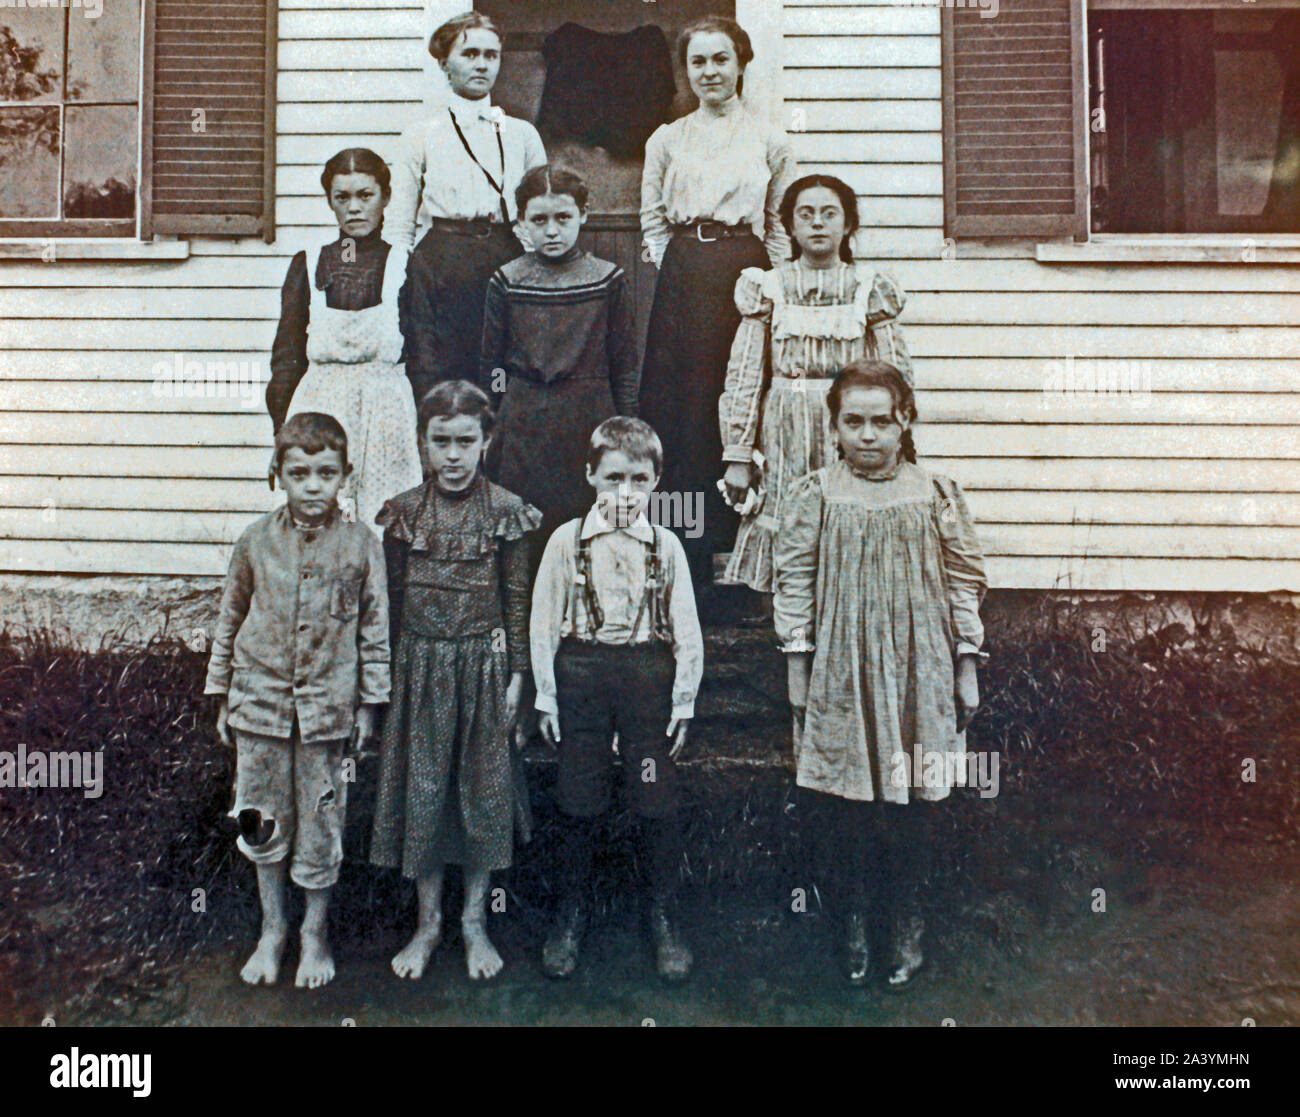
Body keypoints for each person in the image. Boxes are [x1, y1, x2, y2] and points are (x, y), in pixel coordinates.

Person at [774, 361, 987, 988]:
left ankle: (908, 920)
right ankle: (853, 923)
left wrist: (965, 666)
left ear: (905, 423)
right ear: (835, 427)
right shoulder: (815, 494)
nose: (867, 435)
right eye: (853, 422)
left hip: (920, 665)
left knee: (915, 802)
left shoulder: (936, 492)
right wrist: (798, 667)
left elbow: (962, 583)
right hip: (843, 665)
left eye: (881, 422)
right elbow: (794, 585)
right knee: (848, 805)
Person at [205, 412, 390, 989]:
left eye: (326, 474)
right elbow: (229, 617)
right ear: (277, 475)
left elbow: (374, 630)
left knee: (320, 819)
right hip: (258, 705)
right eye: (299, 473)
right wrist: (222, 695)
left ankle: (314, 933)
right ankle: (273, 929)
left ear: (345, 477)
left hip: (326, 715)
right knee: (261, 815)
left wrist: (368, 705)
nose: (313, 486)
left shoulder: (362, 545)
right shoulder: (256, 542)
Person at [369, 381, 541, 981]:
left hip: (484, 671)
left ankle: (474, 922)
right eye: (439, 441)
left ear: (486, 442)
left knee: (483, 794)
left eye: (465, 441)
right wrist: (382, 683)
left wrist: (520, 677)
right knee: (425, 794)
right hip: (419, 672)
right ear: (421, 444)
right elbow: (387, 605)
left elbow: (517, 601)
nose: (452, 455)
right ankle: (428, 924)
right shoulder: (403, 513)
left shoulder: (507, 512)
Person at [530, 417, 704, 983]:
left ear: (656, 481)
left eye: (638, 478)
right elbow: (542, 624)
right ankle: (571, 911)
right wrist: (547, 696)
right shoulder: (565, 542)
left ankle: (661, 913)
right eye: (612, 479)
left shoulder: (667, 546)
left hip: (646, 679)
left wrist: (683, 701)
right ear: (590, 476)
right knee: (579, 794)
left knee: (653, 791)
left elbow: (687, 630)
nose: (624, 493)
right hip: (581, 675)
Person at [638, 14, 797, 590]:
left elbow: (779, 222)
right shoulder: (667, 138)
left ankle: (743, 557)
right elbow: (652, 221)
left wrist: (773, 285)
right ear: (687, 71)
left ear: (741, 64)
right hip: (685, 275)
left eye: (720, 59)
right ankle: (684, 560)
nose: (710, 71)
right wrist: (676, 264)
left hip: (744, 270)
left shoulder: (770, 138)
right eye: (698, 61)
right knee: (681, 408)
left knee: (734, 398)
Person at [719, 174, 913, 596]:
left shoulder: (868, 289)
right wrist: (737, 454)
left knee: (849, 520)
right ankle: (792, 646)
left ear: (848, 225)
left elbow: (897, 373)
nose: (818, 224)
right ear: (789, 226)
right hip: (784, 429)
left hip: (851, 427)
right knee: (792, 531)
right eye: (805, 215)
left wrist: (897, 436)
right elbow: (745, 375)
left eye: (830, 214)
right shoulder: (768, 288)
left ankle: (844, 636)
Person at [388, 11, 547, 403]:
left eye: (490, 55)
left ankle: (496, 449)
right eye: (470, 53)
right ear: (444, 63)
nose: (481, 64)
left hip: (503, 256)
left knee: (499, 368)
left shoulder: (522, 134)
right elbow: (399, 222)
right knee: (442, 366)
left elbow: (542, 206)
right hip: (442, 263)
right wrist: (398, 280)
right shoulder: (422, 135)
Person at [481, 164, 640, 554]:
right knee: (523, 530)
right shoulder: (507, 279)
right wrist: (502, 411)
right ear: (521, 222)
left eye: (563, 218)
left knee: (588, 526)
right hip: (523, 421)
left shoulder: (607, 279)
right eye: (539, 220)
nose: (552, 231)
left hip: (588, 415)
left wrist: (625, 427)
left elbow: (624, 363)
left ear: (583, 215)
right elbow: (495, 364)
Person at [267, 148, 423, 537]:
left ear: (386, 197)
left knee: (385, 521)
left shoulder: (407, 263)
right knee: (317, 519)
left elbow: (426, 353)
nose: (354, 208)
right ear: (330, 202)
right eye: (343, 198)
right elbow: (286, 356)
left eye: (365, 196)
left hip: (387, 411)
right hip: (319, 407)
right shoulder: (307, 262)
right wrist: (282, 434)